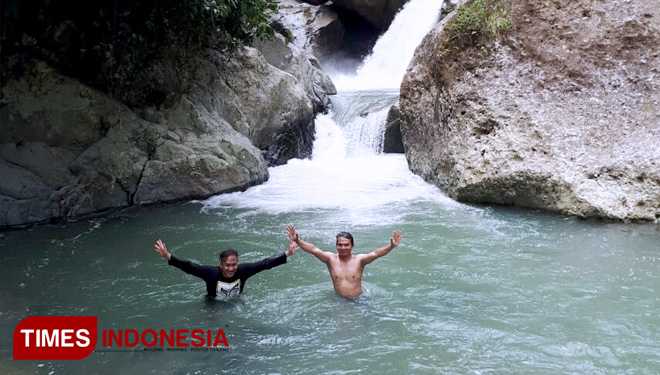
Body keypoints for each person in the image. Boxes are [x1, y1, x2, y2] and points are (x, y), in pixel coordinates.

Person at [154, 238, 298, 300]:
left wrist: (287, 253)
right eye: (227, 265)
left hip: (236, 301)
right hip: (212, 303)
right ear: (221, 265)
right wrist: (168, 255)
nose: (231, 269)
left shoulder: (243, 270)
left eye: (234, 265)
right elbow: (190, 267)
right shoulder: (210, 273)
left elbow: (264, 264)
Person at [285, 225, 402, 298]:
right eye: (340, 245)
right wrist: (298, 240)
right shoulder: (330, 259)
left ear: (352, 246)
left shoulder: (360, 260)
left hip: (359, 300)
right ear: (336, 245)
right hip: (339, 300)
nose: (343, 247)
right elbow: (314, 249)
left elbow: (376, 253)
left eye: (346, 245)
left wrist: (391, 246)